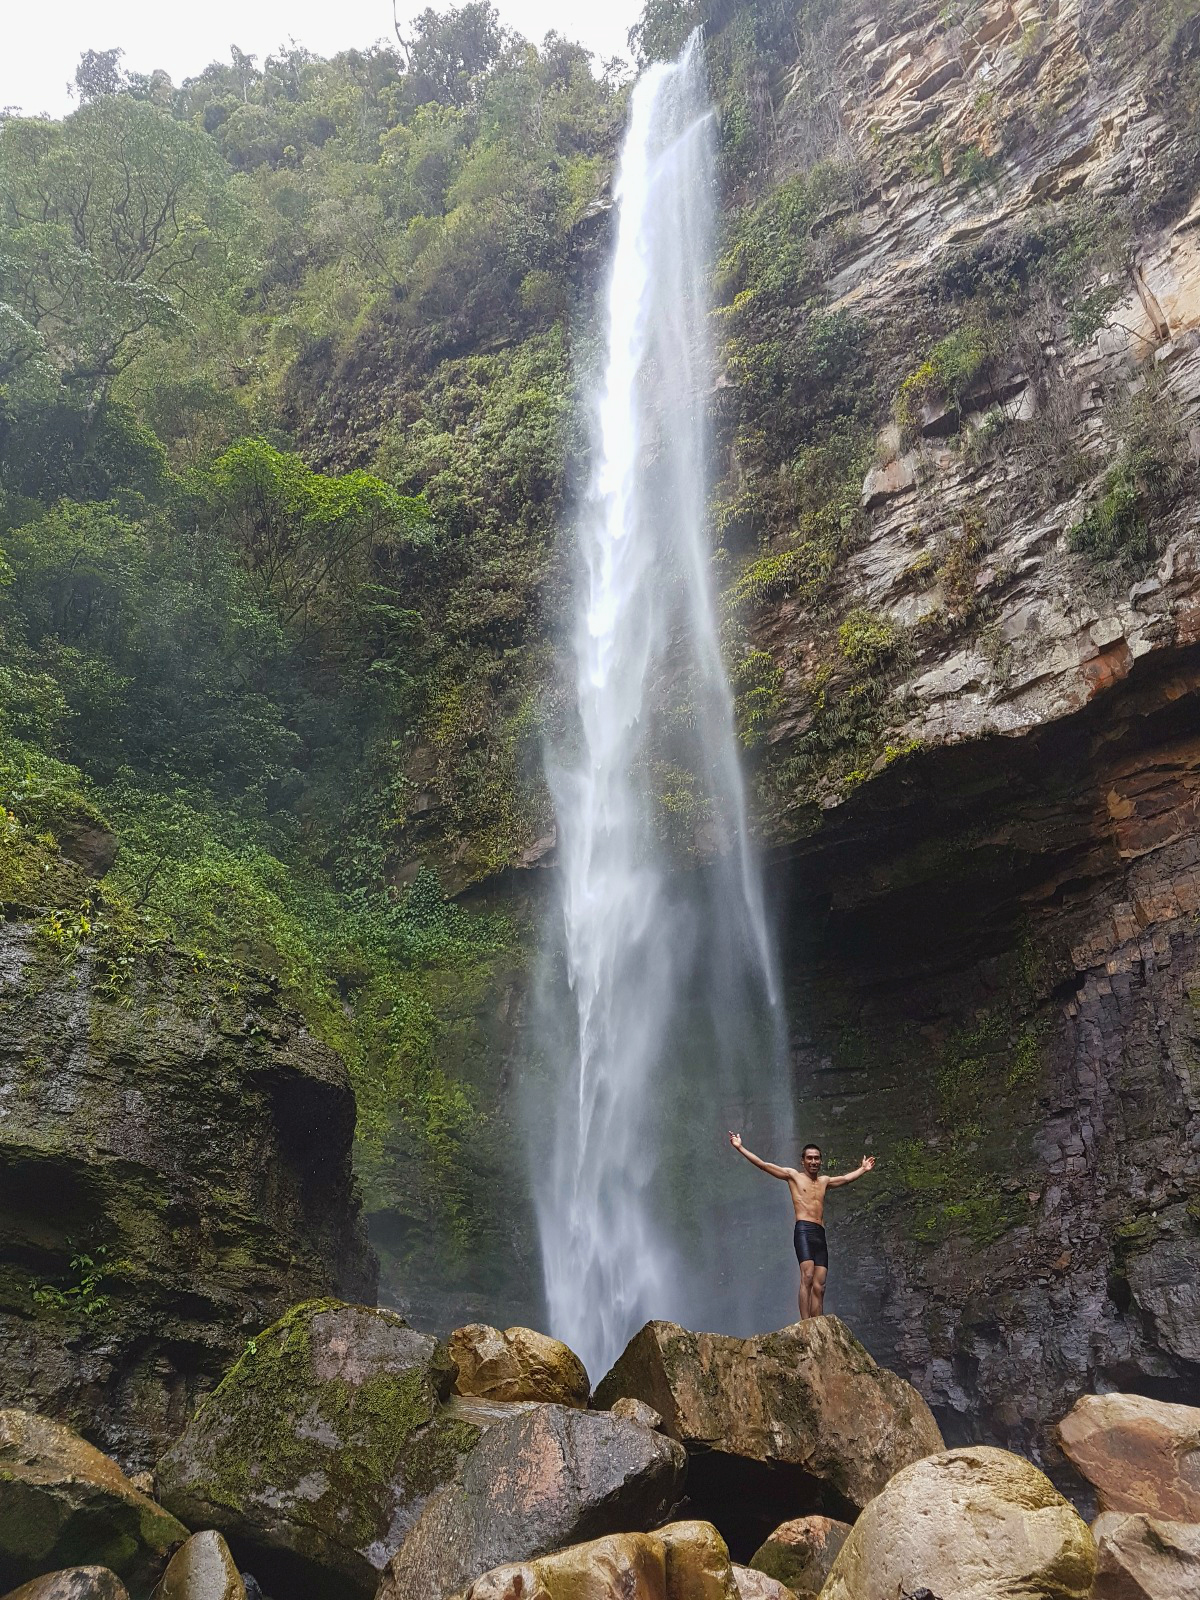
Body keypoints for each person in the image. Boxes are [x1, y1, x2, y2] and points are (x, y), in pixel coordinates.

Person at [729, 1133, 875, 1320]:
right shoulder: (793, 1176)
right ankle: (806, 1324)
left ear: (820, 1161)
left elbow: (846, 1178)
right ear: (803, 1161)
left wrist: (863, 1169)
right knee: (807, 1276)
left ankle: (818, 1323)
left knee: (820, 1285)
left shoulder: (824, 1181)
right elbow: (764, 1165)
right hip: (804, 1230)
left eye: (816, 1158)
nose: (813, 1161)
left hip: (819, 1233)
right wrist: (740, 1147)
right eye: (810, 1158)